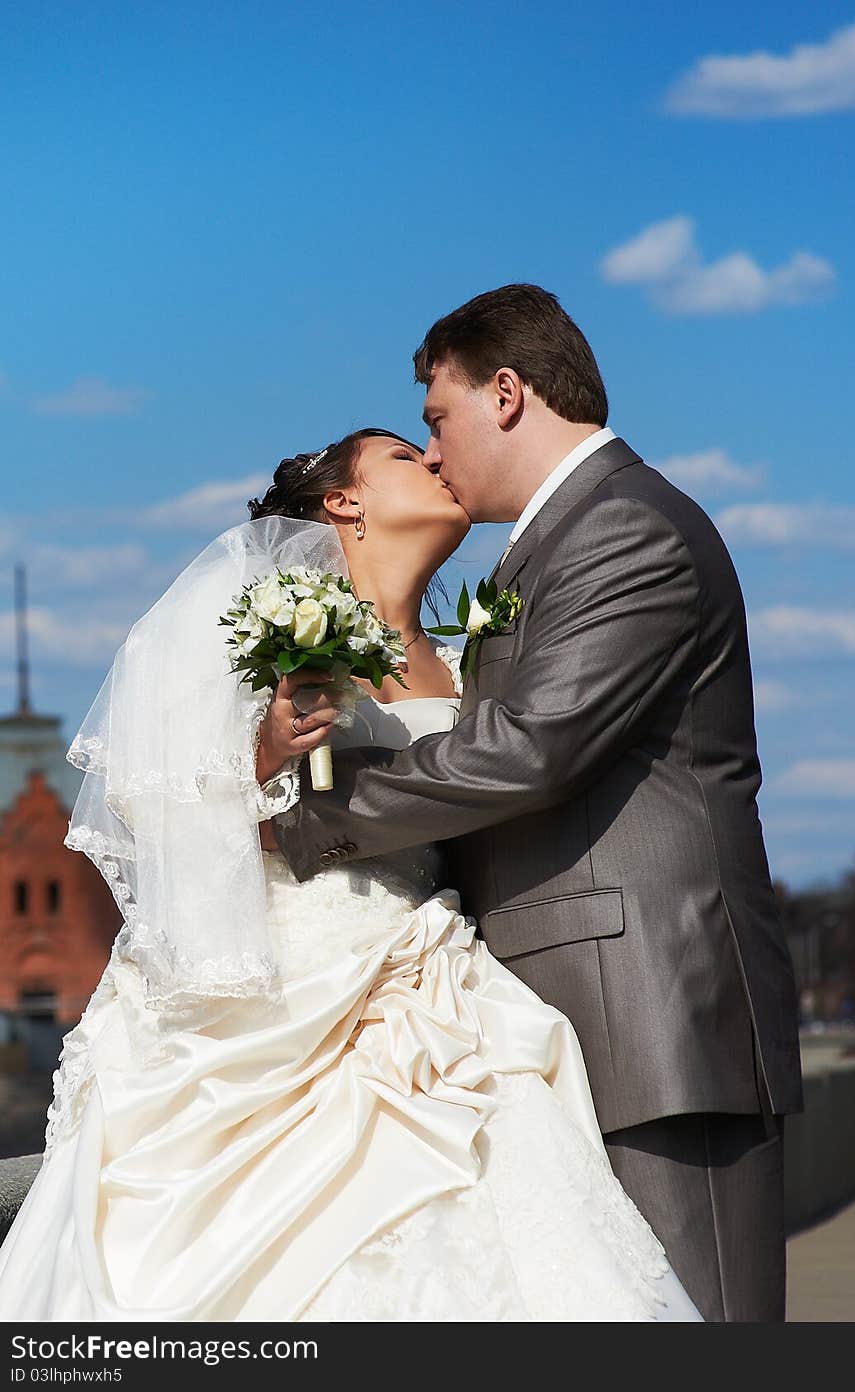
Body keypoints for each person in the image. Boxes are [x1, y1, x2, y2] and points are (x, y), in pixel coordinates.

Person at [0, 426, 700, 1321]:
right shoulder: (265, 616)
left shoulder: (471, 657)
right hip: (274, 988)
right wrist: (264, 751)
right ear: (345, 501)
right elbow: (152, 800)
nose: (439, 461)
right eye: (409, 455)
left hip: (423, 984)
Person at [263, 286, 804, 1323]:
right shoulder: (552, 547)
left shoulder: (623, 529)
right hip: (558, 1027)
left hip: (654, 1029)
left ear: (505, 393)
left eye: (435, 416)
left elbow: (528, 752)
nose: (434, 450)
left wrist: (306, 827)